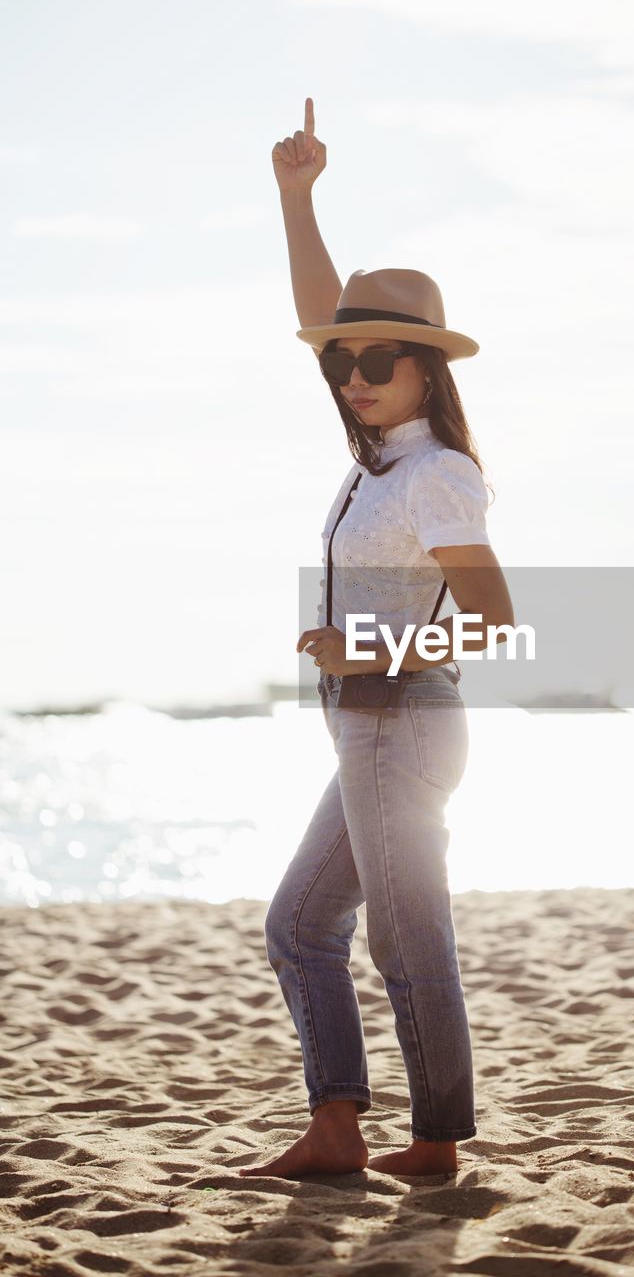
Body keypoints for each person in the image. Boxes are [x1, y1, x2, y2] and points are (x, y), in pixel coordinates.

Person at [239, 98, 514, 1181]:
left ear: (427, 369)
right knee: (300, 924)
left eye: (379, 358)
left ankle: (435, 1140)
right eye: (341, 361)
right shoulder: (379, 456)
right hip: (368, 733)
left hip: (403, 722)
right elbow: (326, 313)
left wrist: (369, 654)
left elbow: (494, 617)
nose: (353, 373)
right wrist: (297, 200)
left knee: (405, 940)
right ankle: (338, 1124)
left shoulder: (438, 472)